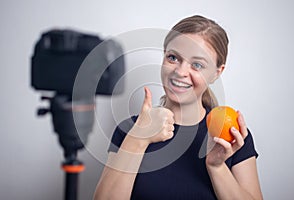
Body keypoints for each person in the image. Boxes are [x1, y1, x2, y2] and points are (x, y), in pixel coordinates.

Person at [94, 15, 263, 200]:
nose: (180, 72)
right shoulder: (130, 130)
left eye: (197, 65)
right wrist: (138, 139)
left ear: (217, 72)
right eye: (173, 58)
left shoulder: (231, 136)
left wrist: (217, 167)